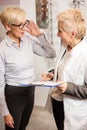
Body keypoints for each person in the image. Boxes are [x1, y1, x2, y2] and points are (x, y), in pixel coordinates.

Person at [0, 7, 56, 130]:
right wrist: (5, 112)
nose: (25, 28)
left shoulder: (27, 40)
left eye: (25, 23)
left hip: (30, 91)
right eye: (20, 25)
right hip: (14, 94)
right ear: (8, 27)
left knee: (23, 126)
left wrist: (39, 35)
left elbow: (51, 54)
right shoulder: (2, 49)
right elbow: (0, 84)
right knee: (13, 128)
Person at [42, 8, 87, 130]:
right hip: (59, 104)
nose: (57, 34)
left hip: (75, 112)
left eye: (60, 31)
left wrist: (68, 87)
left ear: (72, 34)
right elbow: (65, 68)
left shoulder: (85, 55)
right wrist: (53, 75)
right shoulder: (67, 47)